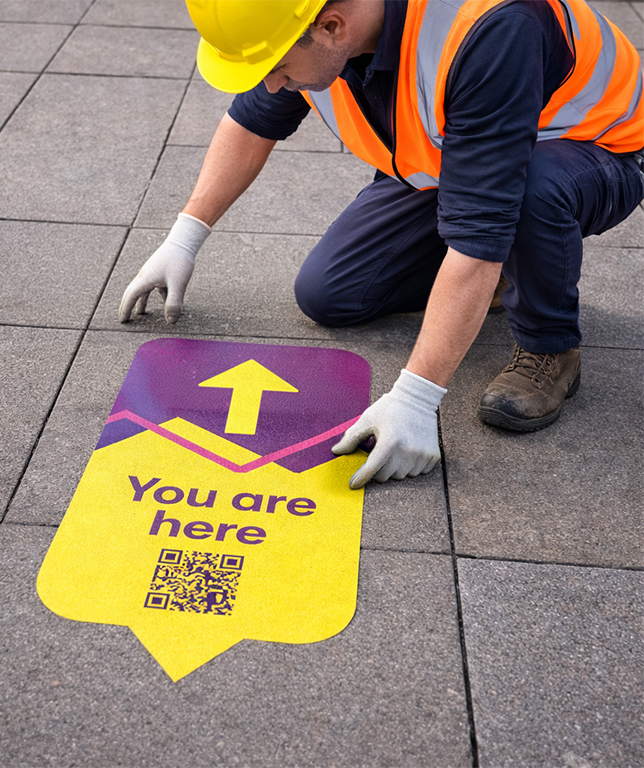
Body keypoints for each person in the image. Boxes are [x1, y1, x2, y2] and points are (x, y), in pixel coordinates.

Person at [118, 0, 644, 489]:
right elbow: (252, 122)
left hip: (588, 149)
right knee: (332, 294)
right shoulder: (311, 27)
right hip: (457, 160)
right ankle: (502, 277)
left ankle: (549, 343)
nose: (275, 85)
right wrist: (184, 237)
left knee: (526, 195)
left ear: (331, 27)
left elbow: (483, 226)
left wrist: (416, 398)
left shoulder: (492, 28)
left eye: (278, 69)